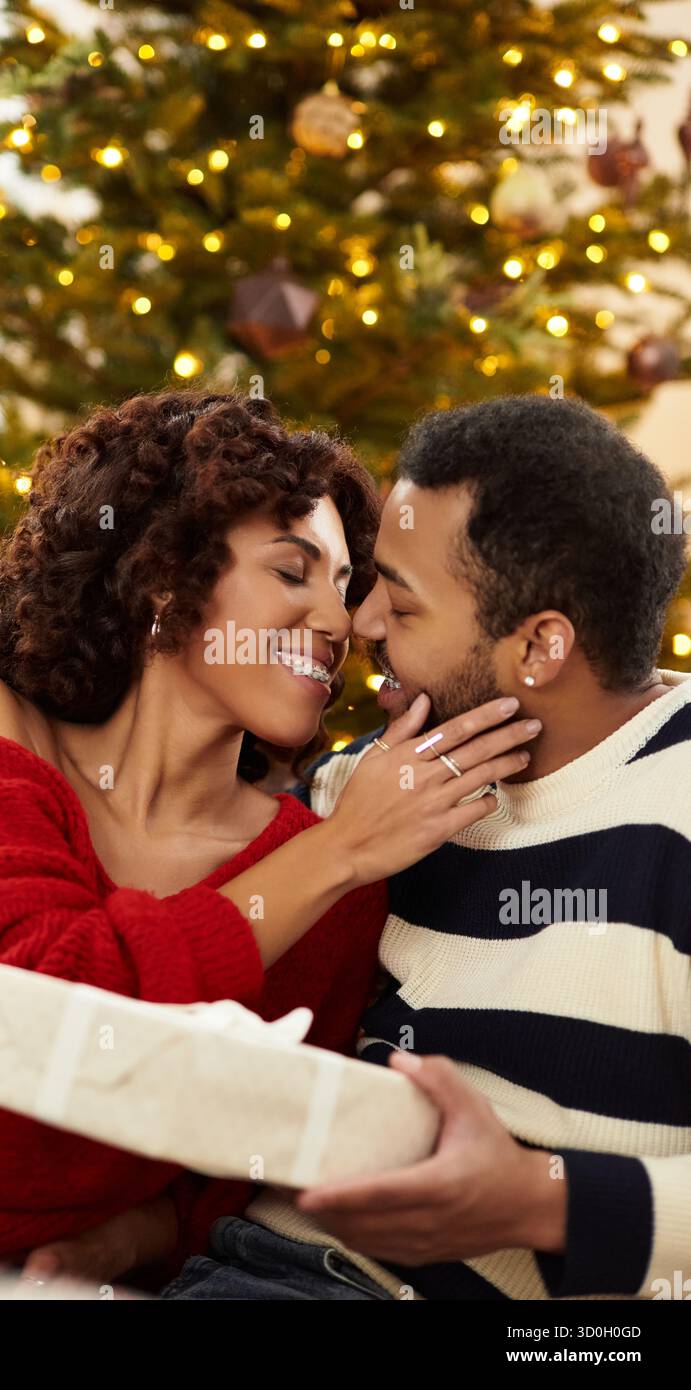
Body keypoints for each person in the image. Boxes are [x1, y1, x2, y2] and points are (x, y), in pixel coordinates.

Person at [0, 389, 533, 1276]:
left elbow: (254, 1159)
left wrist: (137, 1237)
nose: (339, 623)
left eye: (346, 586)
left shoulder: (324, 876)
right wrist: (338, 850)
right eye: (291, 571)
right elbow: (23, 1017)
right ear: (165, 578)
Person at [157, 394, 691, 1301]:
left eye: (399, 607)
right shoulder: (388, 774)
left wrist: (537, 1203)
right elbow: (146, 838)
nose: (358, 624)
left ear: (540, 646)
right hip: (242, 1263)